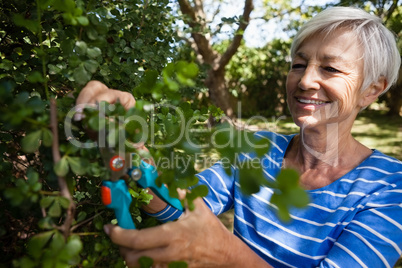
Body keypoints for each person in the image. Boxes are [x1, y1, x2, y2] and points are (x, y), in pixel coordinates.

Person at [76, 6, 402, 267]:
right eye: (299, 64)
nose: (305, 81)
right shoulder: (258, 150)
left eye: (330, 69)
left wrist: (227, 255)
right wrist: (124, 137)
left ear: (372, 90)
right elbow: (175, 209)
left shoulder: (390, 187)